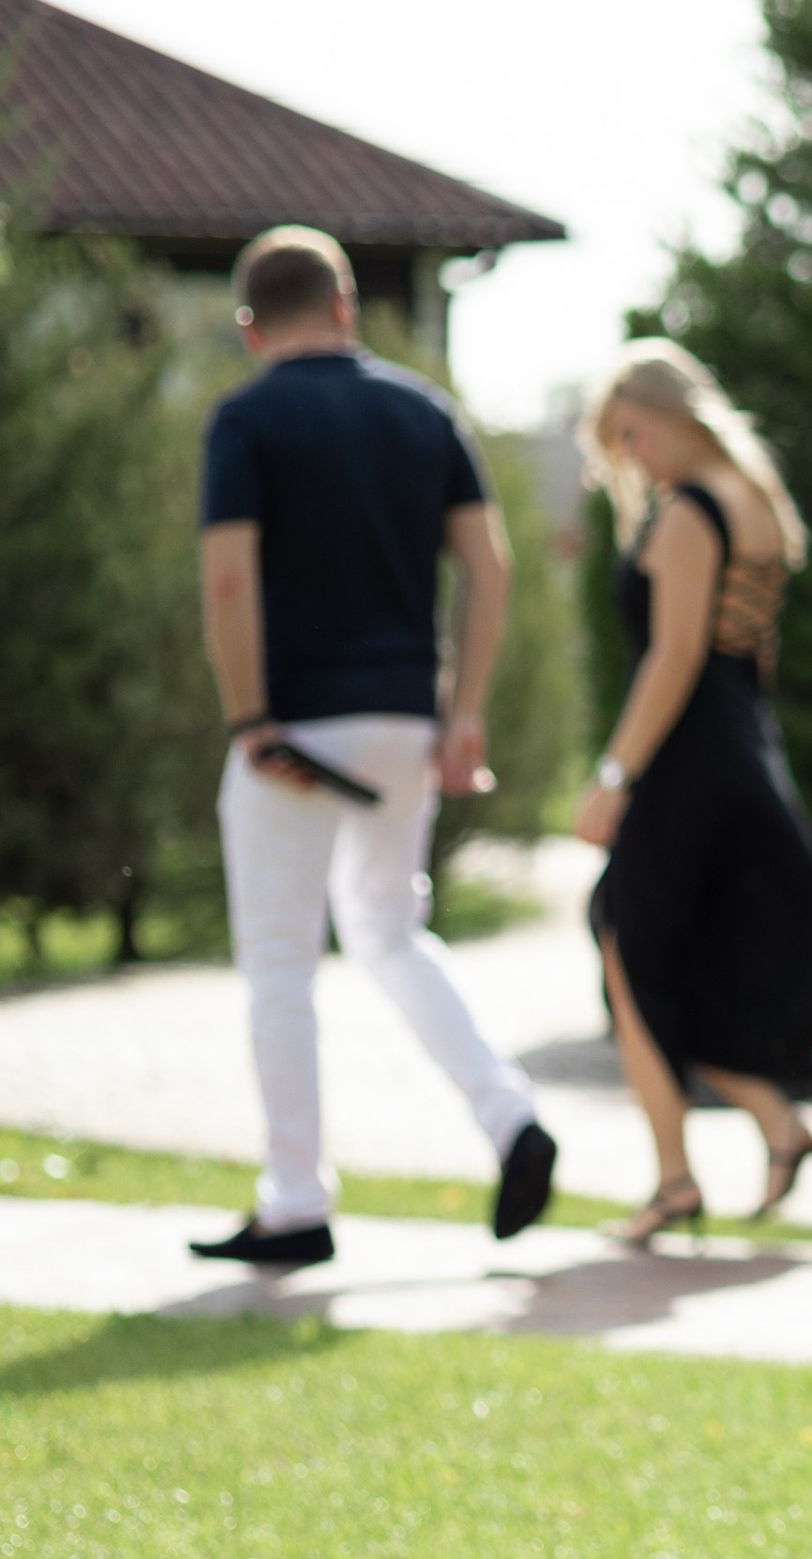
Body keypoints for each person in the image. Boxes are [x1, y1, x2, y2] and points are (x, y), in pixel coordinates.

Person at [192, 226, 557, 1271]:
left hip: (294, 730)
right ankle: (510, 1119)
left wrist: (250, 716)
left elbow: (227, 581)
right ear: (346, 304)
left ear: (250, 326)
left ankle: (296, 1200)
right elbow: (490, 565)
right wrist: (466, 711)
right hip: (406, 720)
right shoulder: (422, 410)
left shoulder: (246, 418)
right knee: (390, 933)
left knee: (278, 964)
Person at [572, 345, 812, 1241]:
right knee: (666, 954)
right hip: (741, 749)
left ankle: (673, 1181)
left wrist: (613, 776)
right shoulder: (759, 500)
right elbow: (753, 660)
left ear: (676, 411)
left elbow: (676, 653)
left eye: (634, 431)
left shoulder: (692, 509)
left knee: (628, 945)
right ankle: (774, 1125)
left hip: (689, 760)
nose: (631, 455)